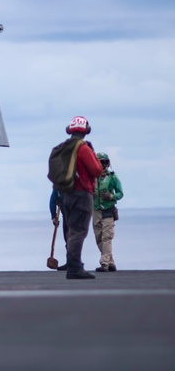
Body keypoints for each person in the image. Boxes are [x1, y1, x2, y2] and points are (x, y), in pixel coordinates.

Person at [55, 116, 103, 280]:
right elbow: (96, 170)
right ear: (86, 130)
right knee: (78, 231)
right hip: (82, 193)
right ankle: (74, 267)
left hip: (67, 194)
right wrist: (94, 155)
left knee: (72, 230)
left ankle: (73, 264)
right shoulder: (83, 148)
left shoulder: (64, 148)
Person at [92, 153, 124, 272]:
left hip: (108, 210)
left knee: (107, 237)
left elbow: (120, 193)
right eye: (101, 162)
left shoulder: (113, 177)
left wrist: (111, 196)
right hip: (95, 211)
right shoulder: (92, 177)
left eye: (105, 162)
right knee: (99, 237)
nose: (103, 164)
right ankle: (111, 263)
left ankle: (104, 263)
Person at [48, 188, 68, 270]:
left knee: (72, 240)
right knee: (69, 239)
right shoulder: (58, 187)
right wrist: (53, 216)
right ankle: (71, 262)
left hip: (74, 216)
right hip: (68, 216)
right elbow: (52, 201)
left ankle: (73, 263)